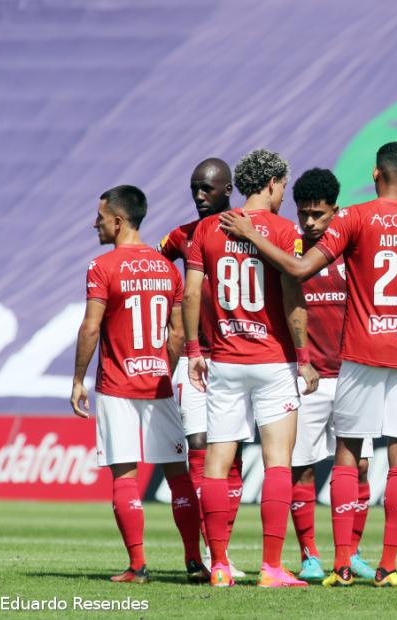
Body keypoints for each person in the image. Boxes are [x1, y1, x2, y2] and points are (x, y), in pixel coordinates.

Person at [218, 141, 397, 588]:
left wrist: (252, 236)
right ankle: (387, 568)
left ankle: (342, 564)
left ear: (376, 175)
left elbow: (301, 269)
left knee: (348, 453)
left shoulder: (355, 217)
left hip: (362, 353)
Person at [183, 149, 319, 588]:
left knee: (217, 463)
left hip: (223, 360)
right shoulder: (284, 230)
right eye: (283, 187)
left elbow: (191, 296)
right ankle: (271, 567)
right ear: (275, 183)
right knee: (278, 463)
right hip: (273, 360)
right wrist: (304, 356)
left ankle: (219, 565)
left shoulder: (208, 228)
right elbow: (293, 297)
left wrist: (194, 350)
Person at [70, 185, 207, 584]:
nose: (94, 223)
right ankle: (194, 561)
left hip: (117, 387)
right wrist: (161, 369)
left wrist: (78, 380)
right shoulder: (167, 268)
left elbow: (91, 327)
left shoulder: (102, 267)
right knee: (178, 475)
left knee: (124, 476)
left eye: (99, 216)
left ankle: (138, 566)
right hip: (160, 384)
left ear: (117, 220)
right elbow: (178, 334)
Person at [285, 168, 377, 582]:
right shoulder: (291, 252)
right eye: (303, 214)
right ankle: (309, 556)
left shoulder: (353, 248)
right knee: (301, 468)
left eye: (317, 215)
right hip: (307, 377)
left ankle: (351, 553)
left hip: (354, 373)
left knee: (358, 468)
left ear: (335, 211)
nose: (309, 223)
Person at [157, 157, 246, 578]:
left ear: (228, 189)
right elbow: (157, 269)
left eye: (207, 189)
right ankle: (200, 556)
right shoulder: (180, 237)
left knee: (232, 458)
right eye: (194, 188)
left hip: (239, 357)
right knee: (199, 444)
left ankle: (221, 551)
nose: (198, 196)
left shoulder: (248, 231)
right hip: (197, 359)